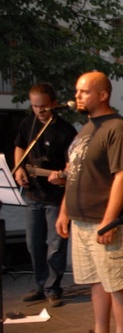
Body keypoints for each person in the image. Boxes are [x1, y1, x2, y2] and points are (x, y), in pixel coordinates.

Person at [56, 71, 123, 333]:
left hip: (105, 220)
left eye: (84, 91)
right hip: (82, 220)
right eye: (77, 91)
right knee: (97, 280)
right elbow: (73, 174)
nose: (77, 96)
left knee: (117, 280)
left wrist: (110, 220)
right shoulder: (86, 129)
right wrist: (65, 211)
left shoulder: (117, 128)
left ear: (103, 95)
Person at [13, 83, 77, 307]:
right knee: (33, 243)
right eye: (34, 106)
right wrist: (19, 168)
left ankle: (53, 287)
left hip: (55, 196)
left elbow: (71, 165)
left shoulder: (66, 130)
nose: (39, 110)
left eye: (43, 106)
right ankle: (41, 285)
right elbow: (19, 146)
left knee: (55, 244)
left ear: (54, 104)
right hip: (33, 193)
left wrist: (63, 176)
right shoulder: (28, 123)